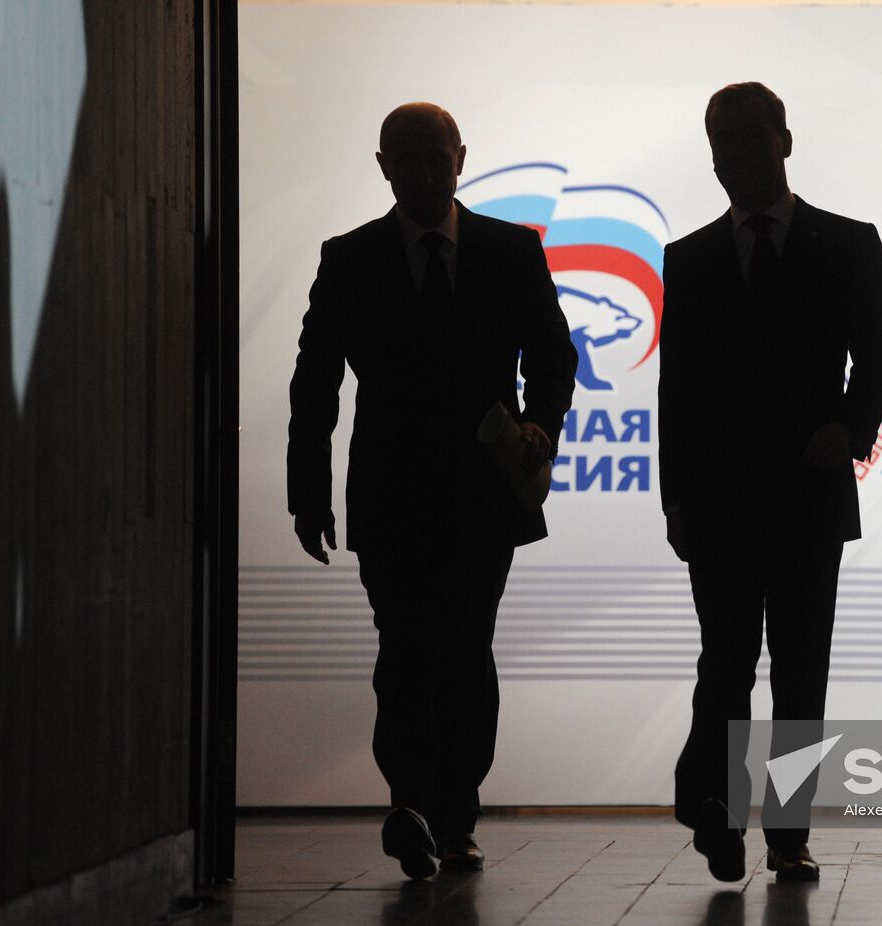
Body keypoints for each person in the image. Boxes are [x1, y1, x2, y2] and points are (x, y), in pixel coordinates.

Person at [286, 102, 576, 880]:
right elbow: (314, 384)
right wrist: (308, 494)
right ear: (381, 165)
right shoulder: (349, 258)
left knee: (465, 650)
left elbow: (554, 356)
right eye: (405, 159)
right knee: (407, 649)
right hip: (389, 493)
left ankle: (453, 815)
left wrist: (541, 429)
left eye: (434, 157)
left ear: (461, 156)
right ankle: (415, 803)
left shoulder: (512, 251)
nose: (422, 173)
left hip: (486, 489)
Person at [658, 82, 882, 883]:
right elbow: (678, 393)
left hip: (806, 495)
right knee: (724, 666)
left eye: (749, 137)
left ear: (785, 141)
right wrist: (677, 501)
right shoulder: (688, 258)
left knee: (800, 674)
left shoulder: (849, 243)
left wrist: (850, 427)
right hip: (722, 502)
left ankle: (788, 835)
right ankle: (720, 816)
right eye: (722, 141)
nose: (735, 154)